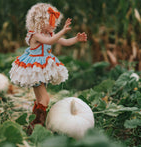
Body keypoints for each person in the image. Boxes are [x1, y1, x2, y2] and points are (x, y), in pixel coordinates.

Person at [9, 3, 87, 134]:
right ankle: (38, 125)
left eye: (56, 22)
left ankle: (34, 126)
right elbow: (51, 42)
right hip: (34, 69)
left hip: (41, 69)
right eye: (52, 22)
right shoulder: (36, 35)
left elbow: (65, 42)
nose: (55, 25)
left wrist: (76, 39)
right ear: (40, 21)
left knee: (41, 99)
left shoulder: (50, 35)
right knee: (45, 98)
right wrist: (62, 31)